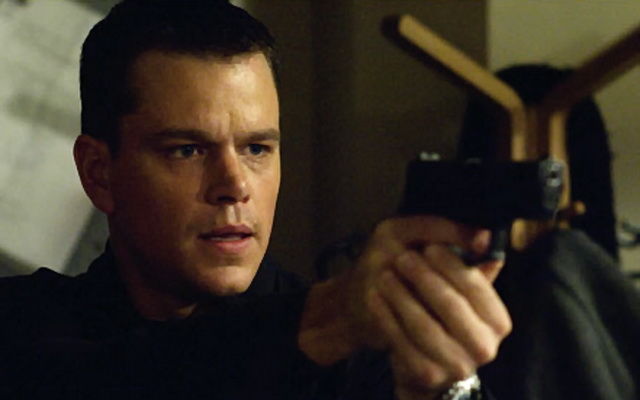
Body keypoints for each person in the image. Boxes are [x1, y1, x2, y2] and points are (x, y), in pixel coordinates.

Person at [0, 1, 511, 399]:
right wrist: (331, 314)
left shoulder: (363, 360)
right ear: (99, 173)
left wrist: (448, 384)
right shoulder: (24, 331)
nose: (235, 184)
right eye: (186, 150)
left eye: (257, 148)